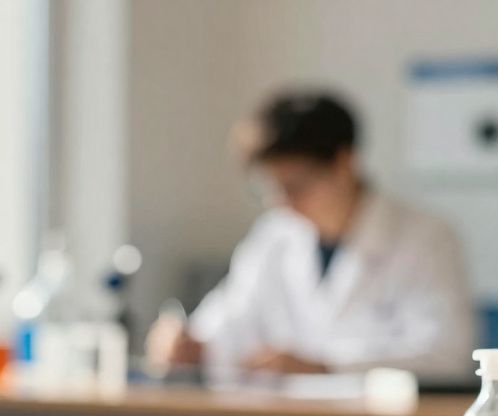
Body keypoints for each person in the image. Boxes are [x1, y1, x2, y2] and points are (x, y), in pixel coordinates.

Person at [146, 91, 474, 381]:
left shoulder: (425, 238)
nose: (281, 201)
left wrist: (323, 369)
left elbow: (445, 356)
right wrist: (188, 345)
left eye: (295, 186)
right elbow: (229, 321)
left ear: (344, 163)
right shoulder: (275, 236)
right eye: (269, 188)